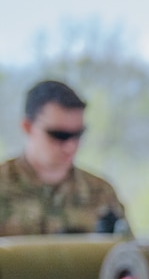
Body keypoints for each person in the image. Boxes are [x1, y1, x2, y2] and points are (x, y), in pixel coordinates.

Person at [0, 80, 125, 237]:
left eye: (77, 134)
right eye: (59, 135)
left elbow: (127, 256)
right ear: (28, 127)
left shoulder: (101, 193)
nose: (70, 146)